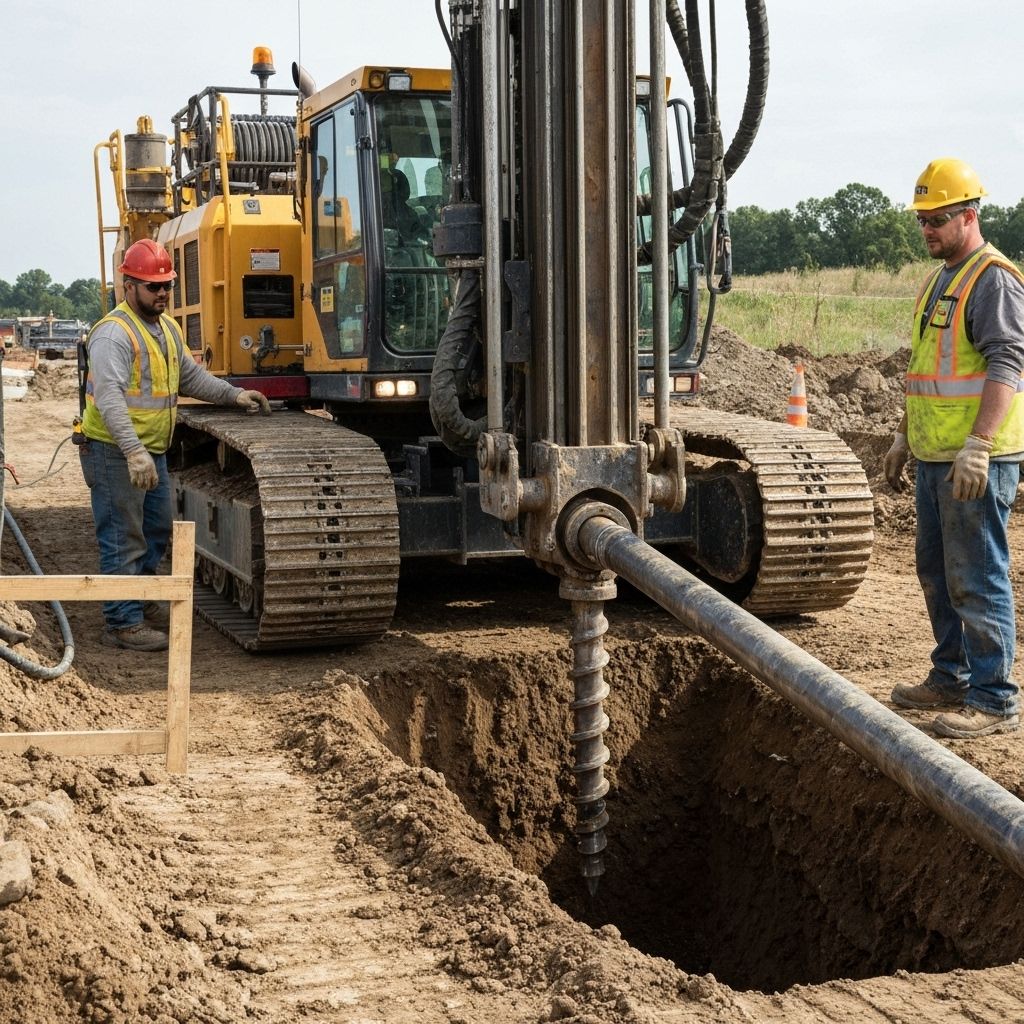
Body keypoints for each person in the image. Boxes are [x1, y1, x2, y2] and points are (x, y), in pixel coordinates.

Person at [885, 158, 1024, 738]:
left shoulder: (992, 278)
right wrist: (902, 433)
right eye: (921, 220)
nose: (927, 231)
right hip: (936, 455)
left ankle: (994, 698)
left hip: (974, 459)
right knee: (938, 571)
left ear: (969, 215)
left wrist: (980, 445)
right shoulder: (940, 278)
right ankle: (952, 674)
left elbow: (1008, 361)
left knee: (977, 573)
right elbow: (926, 368)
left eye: (937, 219)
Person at [79, 239, 271, 652]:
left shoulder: (167, 327)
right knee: (122, 535)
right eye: (154, 287)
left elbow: (189, 377)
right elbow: (110, 397)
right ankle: (122, 622)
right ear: (128, 286)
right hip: (115, 451)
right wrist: (134, 452)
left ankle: (141, 599)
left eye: (167, 285)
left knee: (157, 530)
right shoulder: (113, 335)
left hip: (151, 451)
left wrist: (233, 395)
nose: (163, 293)